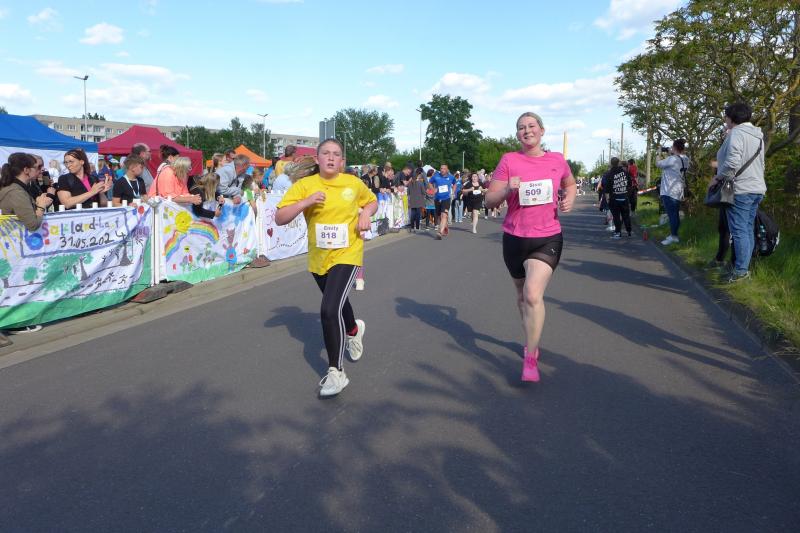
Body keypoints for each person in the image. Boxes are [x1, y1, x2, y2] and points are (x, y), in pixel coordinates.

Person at [275, 139, 378, 397]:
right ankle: (354, 330)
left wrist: (366, 214)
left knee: (329, 309)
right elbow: (280, 217)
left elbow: (371, 202)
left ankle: (336, 372)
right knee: (339, 303)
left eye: (336, 154)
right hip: (319, 258)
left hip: (348, 253)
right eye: (326, 153)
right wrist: (305, 202)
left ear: (342, 161)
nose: (331, 158)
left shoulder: (353, 183)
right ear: (317, 158)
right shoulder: (305, 186)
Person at [484, 112, 576, 382]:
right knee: (522, 297)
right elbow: (489, 200)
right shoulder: (509, 160)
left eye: (532, 126)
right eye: (521, 127)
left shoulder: (556, 160)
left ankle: (531, 356)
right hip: (515, 237)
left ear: (542, 130)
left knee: (533, 294)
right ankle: (530, 339)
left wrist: (569, 199)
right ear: (517, 134)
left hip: (547, 237)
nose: (527, 130)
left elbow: (570, 184)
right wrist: (507, 190)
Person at [713, 102, 766, 282]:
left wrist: (718, 177)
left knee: (739, 231)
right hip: (757, 188)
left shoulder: (736, 133)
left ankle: (741, 272)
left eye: (726, 116)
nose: (725, 120)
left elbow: (732, 163)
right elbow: (761, 164)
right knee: (747, 229)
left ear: (732, 118)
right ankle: (743, 268)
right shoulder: (758, 136)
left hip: (741, 189)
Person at [0, 152, 53, 231]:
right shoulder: (16, 192)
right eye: (37, 167)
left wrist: (38, 203)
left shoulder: (18, 188)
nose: (41, 170)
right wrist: (41, 206)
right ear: (26, 170)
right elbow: (33, 225)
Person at [655, 138, 688, 245]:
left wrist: (658, 153)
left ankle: (674, 236)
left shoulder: (672, 159)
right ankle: (674, 234)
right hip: (678, 190)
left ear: (674, 147)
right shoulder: (685, 159)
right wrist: (671, 153)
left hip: (668, 191)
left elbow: (658, 163)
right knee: (675, 214)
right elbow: (675, 161)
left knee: (672, 215)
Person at [601, 157, 633, 238]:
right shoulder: (625, 173)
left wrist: (607, 199)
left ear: (611, 164)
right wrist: (627, 193)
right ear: (618, 163)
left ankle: (618, 232)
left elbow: (607, 188)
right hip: (624, 197)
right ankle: (629, 231)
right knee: (626, 215)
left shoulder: (609, 174)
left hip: (614, 198)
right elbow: (630, 184)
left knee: (616, 217)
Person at [429, 164, 456, 239]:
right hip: (437, 199)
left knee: (444, 215)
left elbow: (454, 184)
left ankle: (440, 232)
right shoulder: (436, 176)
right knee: (439, 216)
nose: (442, 170)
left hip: (446, 198)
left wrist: (453, 192)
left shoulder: (451, 177)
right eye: (441, 168)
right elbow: (430, 183)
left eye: (444, 169)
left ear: (447, 170)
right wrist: (433, 189)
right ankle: (445, 226)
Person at [406, 167, 427, 233]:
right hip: (419, 201)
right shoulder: (420, 183)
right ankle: (417, 228)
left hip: (412, 201)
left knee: (412, 215)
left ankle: (412, 227)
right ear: (417, 177)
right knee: (418, 215)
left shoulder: (409, 184)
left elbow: (408, 193)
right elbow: (423, 192)